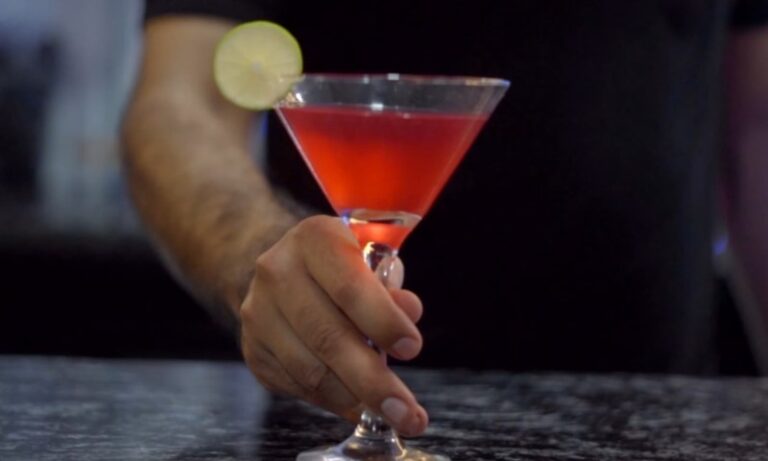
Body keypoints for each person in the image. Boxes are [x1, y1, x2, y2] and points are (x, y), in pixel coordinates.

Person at [122, 0, 768, 436]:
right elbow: (180, 105)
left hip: (661, 412)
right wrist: (255, 251)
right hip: (326, 402)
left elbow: (757, 129)